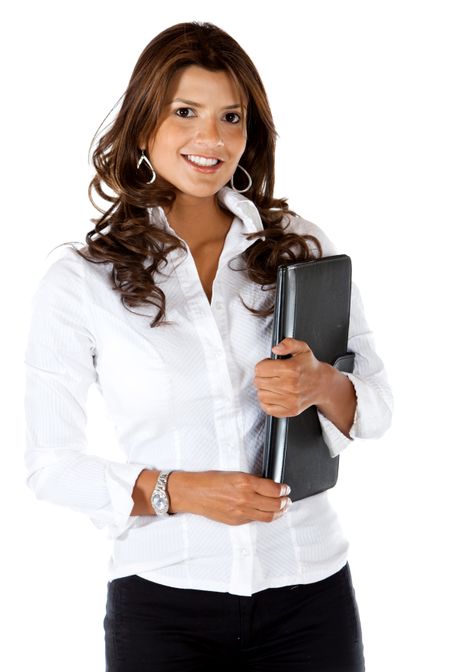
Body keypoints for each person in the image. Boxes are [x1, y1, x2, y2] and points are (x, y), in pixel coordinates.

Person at [23, 21, 393, 672]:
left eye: (231, 117)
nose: (211, 139)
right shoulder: (81, 281)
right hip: (162, 603)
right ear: (144, 128)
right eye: (186, 113)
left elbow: (379, 406)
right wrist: (179, 490)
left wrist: (320, 384)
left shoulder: (303, 248)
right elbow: (48, 464)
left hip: (309, 594)